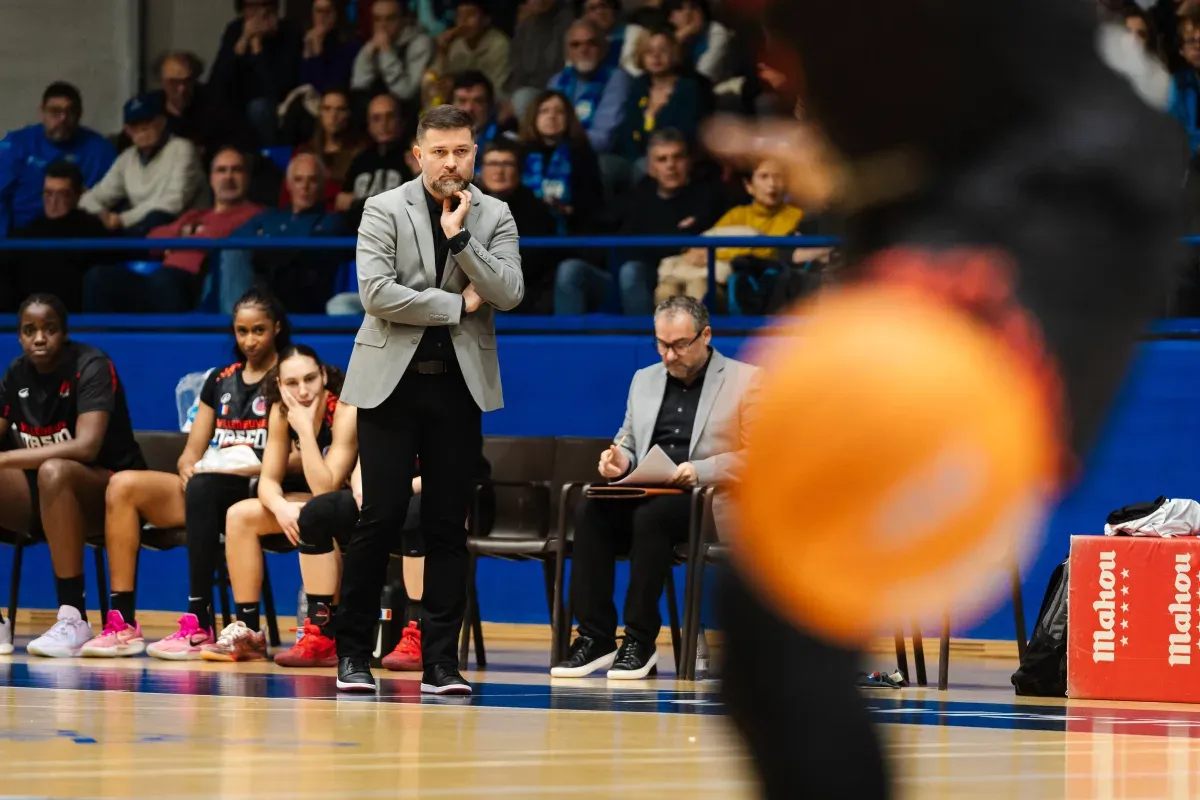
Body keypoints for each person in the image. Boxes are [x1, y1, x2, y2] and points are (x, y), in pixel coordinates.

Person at [702, 0, 1186, 795]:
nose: (764, 64)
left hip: (1062, 222)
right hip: (975, 213)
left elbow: (1097, 145)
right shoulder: (835, 54)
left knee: (782, 622)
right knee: (766, 637)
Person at [334, 104, 523, 695]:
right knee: (380, 516)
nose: (450, 162)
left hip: (457, 385)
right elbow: (375, 293)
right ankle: (353, 654)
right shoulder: (382, 208)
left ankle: (442, 663)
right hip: (391, 384)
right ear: (418, 154)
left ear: (474, 153)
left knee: (446, 525)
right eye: (439, 151)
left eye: (461, 150)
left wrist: (461, 239)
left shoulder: (494, 214)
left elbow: (509, 292)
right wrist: (454, 305)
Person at [552, 296, 758, 678]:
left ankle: (640, 641)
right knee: (591, 507)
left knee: (653, 517)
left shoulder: (747, 380)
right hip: (650, 488)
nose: (669, 355)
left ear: (706, 335)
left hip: (708, 502)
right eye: (661, 344)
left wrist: (700, 470)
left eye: (679, 345)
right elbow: (627, 439)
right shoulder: (643, 379)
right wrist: (619, 460)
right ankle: (596, 637)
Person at [80, 288, 290, 659]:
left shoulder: (290, 377)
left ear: (276, 328)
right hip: (210, 486)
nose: (249, 340)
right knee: (124, 485)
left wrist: (248, 465)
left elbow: (298, 452)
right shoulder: (220, 380)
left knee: (205, 487)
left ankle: (199, 620)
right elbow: (191, 451)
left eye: (258, 330)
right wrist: (188, 466)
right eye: (242, 331)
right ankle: (122, 623)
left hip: (262, 489)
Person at [0, 295, 145, 658]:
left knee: (55, 470)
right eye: (28, 330)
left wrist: (6, 458)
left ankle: (73, 617)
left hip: (108, 493)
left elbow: (86, 447)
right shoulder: (16, 373)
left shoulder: (91, 365)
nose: (39, 338)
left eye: (49, 329)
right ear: (18, 336)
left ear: (63, 332)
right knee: (50, 473)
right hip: (44, 496)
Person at [205, 345, 354, 663]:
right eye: (292, 383)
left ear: (324, 375)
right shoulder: (280, 410)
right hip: (305, 505)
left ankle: (325, 631)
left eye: (310, 379)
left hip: (345, 505)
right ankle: (248, 631)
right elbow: (268, 481)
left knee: (317, 511)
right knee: (239, 516)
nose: (302, 390)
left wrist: (305, 431)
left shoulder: (343, 409)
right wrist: (281, 508)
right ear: (280, 386)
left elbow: (326, 488)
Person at [555, 127, 726, 314]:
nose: (671, 165)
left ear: (688, 162)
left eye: (677, 157)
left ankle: (641, 341)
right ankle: (567, 342)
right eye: (662, 159)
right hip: (617, 281)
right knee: (570, 270)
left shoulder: (707, 198)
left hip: (666, 280)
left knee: (632, 271)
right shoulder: (636, 194)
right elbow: (600, 225)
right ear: (651, 168)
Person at [83, 147, 265, 314]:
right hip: (161, 280)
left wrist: (185, 240)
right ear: (211, 178)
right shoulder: (195, 214)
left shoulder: (257, 214)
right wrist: (183, 233)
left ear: (247, 178)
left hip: (197, 283)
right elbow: (153, 239)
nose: (228, 177)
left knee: (165, 282)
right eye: (221, 170)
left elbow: (226, 241)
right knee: (98, 278)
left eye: (237, 170)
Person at [223, 153, 345, 313]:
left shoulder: (330, 221)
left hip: (302, 293)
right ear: (288, 184)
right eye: (298, 179)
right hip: (262, 283)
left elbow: (306, 255)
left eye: (312, 180)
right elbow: (233, 241)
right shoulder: (269, 217)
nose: (305, 186)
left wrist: (266, 239)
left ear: (322, 184)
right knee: (230, 254)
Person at [78, 93, 204, 238]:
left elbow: (171, 204)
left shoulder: (182, 149)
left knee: (158, 217)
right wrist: (101, 215)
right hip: (139, 229)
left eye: (147, 122)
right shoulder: (127, 158)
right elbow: (90, 198)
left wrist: (122, 219)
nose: (141, 129)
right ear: (127, 130)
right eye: (135, 125)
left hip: (182, 231)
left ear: (162, 122)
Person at [0, 82, 115, 237]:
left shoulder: (101, 150)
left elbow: (112, 201)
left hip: (77, 237)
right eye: (55, 111)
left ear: (79, 114)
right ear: (41, 113)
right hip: (24, 238)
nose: (62, 119)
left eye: (70, 112)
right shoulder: (15, 144)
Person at [3, 162, 110, 313]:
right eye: (48, 193)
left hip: (72, 319)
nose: (53, 202)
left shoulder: (93, 230)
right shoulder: (27, 232)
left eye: (62, 194)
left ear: (78, 195)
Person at [351, 0, 434, 111]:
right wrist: (368, 60)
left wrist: (386, 52)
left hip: (409, 114)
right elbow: (358, 87)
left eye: (389, 19)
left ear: (404, 20)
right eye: (377, 20)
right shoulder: (373, 44)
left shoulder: (420, 43)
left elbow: (406, 93)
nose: (382, 26)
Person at [432, 0, 511, 99]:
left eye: (470, 15)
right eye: (460, 16)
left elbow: (497, 89)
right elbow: (439, 79)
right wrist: (442, 52)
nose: (463, 22)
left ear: (486, 19)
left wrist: (455, 85)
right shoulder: (455, 44)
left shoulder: (499, 45)